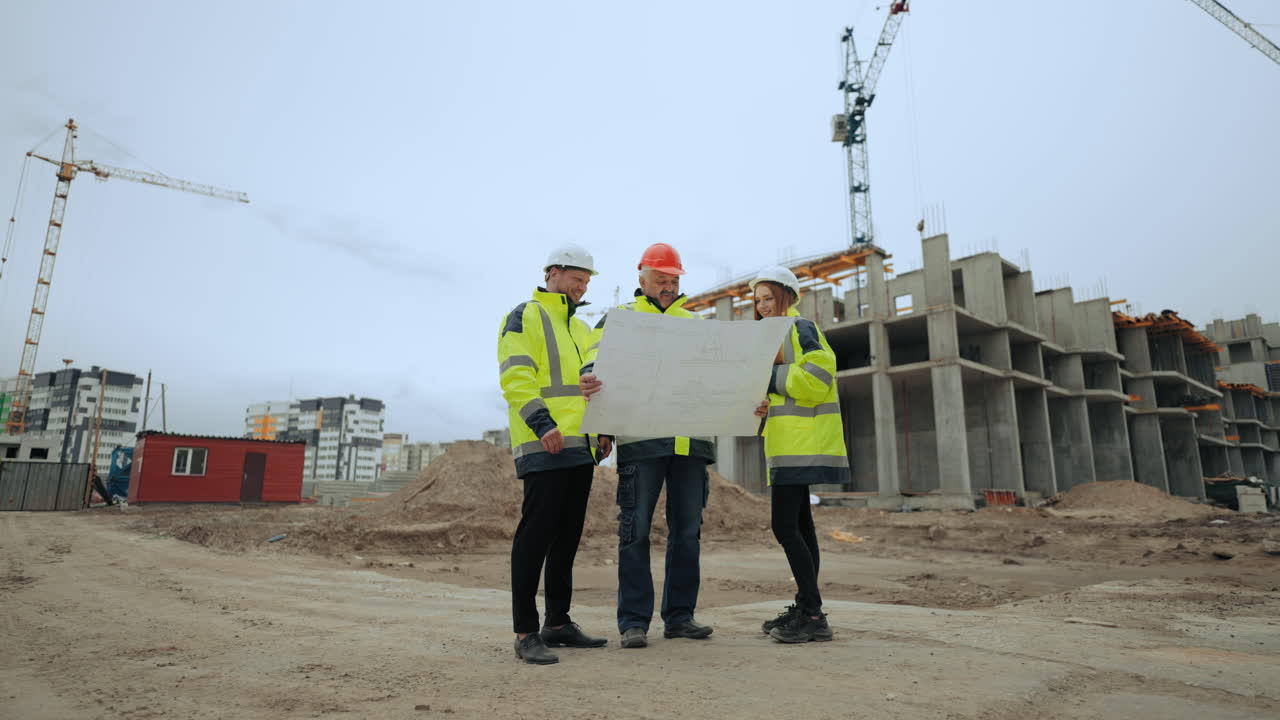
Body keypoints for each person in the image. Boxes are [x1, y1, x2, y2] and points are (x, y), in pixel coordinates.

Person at [579, 243, 716, 649]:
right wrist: (597, 404)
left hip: (691, 441)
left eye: (674, 279)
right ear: (642, 279)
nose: (669, 285)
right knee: (634, 531)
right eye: (661, 279)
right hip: (641, 439)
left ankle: (680, 617)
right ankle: (634, 621)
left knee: (687, 533)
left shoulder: (697, 324)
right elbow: (594, 362)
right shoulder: (619, 320)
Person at [497, 243, 613, 665]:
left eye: (586, 281)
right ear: (553, 274)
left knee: (567, 539)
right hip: (543, 442)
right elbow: (515, 377)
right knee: (535, 537)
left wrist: (602, 431)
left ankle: (558, 623)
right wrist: (543, 424)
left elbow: (592, 386)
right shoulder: (525, 315)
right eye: (576, 279)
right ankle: (526, 631)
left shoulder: (580, 330)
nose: (582, 287)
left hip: (580, 446)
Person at [749, 265, 848, 643]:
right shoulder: (767, 337)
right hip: (785, 443)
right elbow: (782, 392)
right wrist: (762, 404)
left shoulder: (800, 328)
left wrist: (771, 377)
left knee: (784, 526)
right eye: (758, 301)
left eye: (768, 298)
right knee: (802, 528)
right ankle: (806, 605)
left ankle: (812, 613)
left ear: (786, 297)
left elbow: (820, 376)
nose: (762, 307)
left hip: (802, 443)